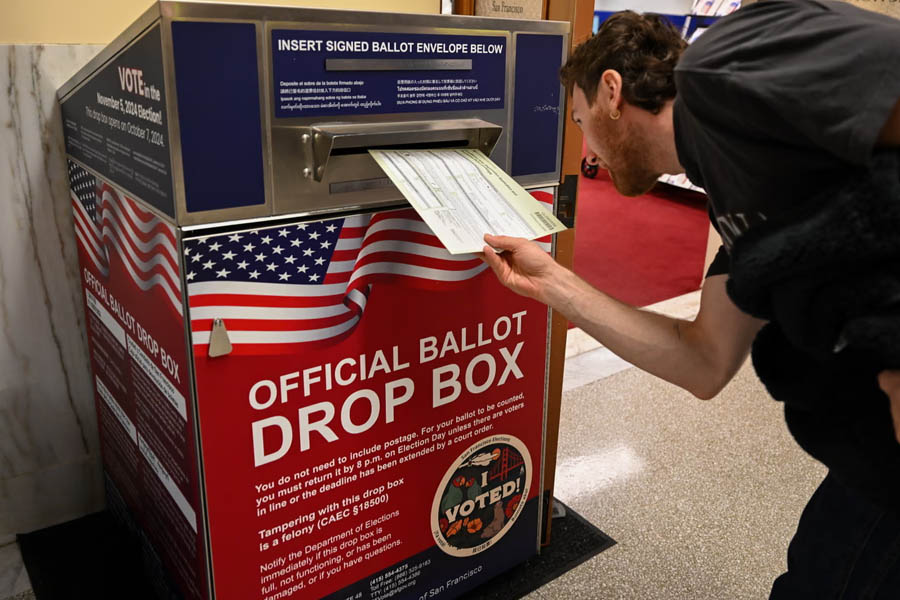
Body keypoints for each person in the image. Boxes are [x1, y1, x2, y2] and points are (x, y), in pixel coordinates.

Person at [480, 1, 900, 597]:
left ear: (612, 91)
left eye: (580, 124)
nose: (588, 154)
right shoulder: (735, 195)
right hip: (871, 459)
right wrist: (553, 283)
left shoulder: (721, 70)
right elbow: (702, 360)